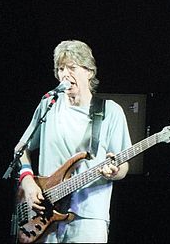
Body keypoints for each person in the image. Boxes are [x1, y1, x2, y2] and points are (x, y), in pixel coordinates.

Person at [14, 40, 132, 243]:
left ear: (89, 71)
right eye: (60, 69)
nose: (64, 74)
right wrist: (28, 181)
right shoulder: (49, 105)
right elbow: (21, 148)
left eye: (71, 68)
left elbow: (123, 165)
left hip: (89, 218)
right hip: (44, 215)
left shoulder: (110, 111)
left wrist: (115, 171)